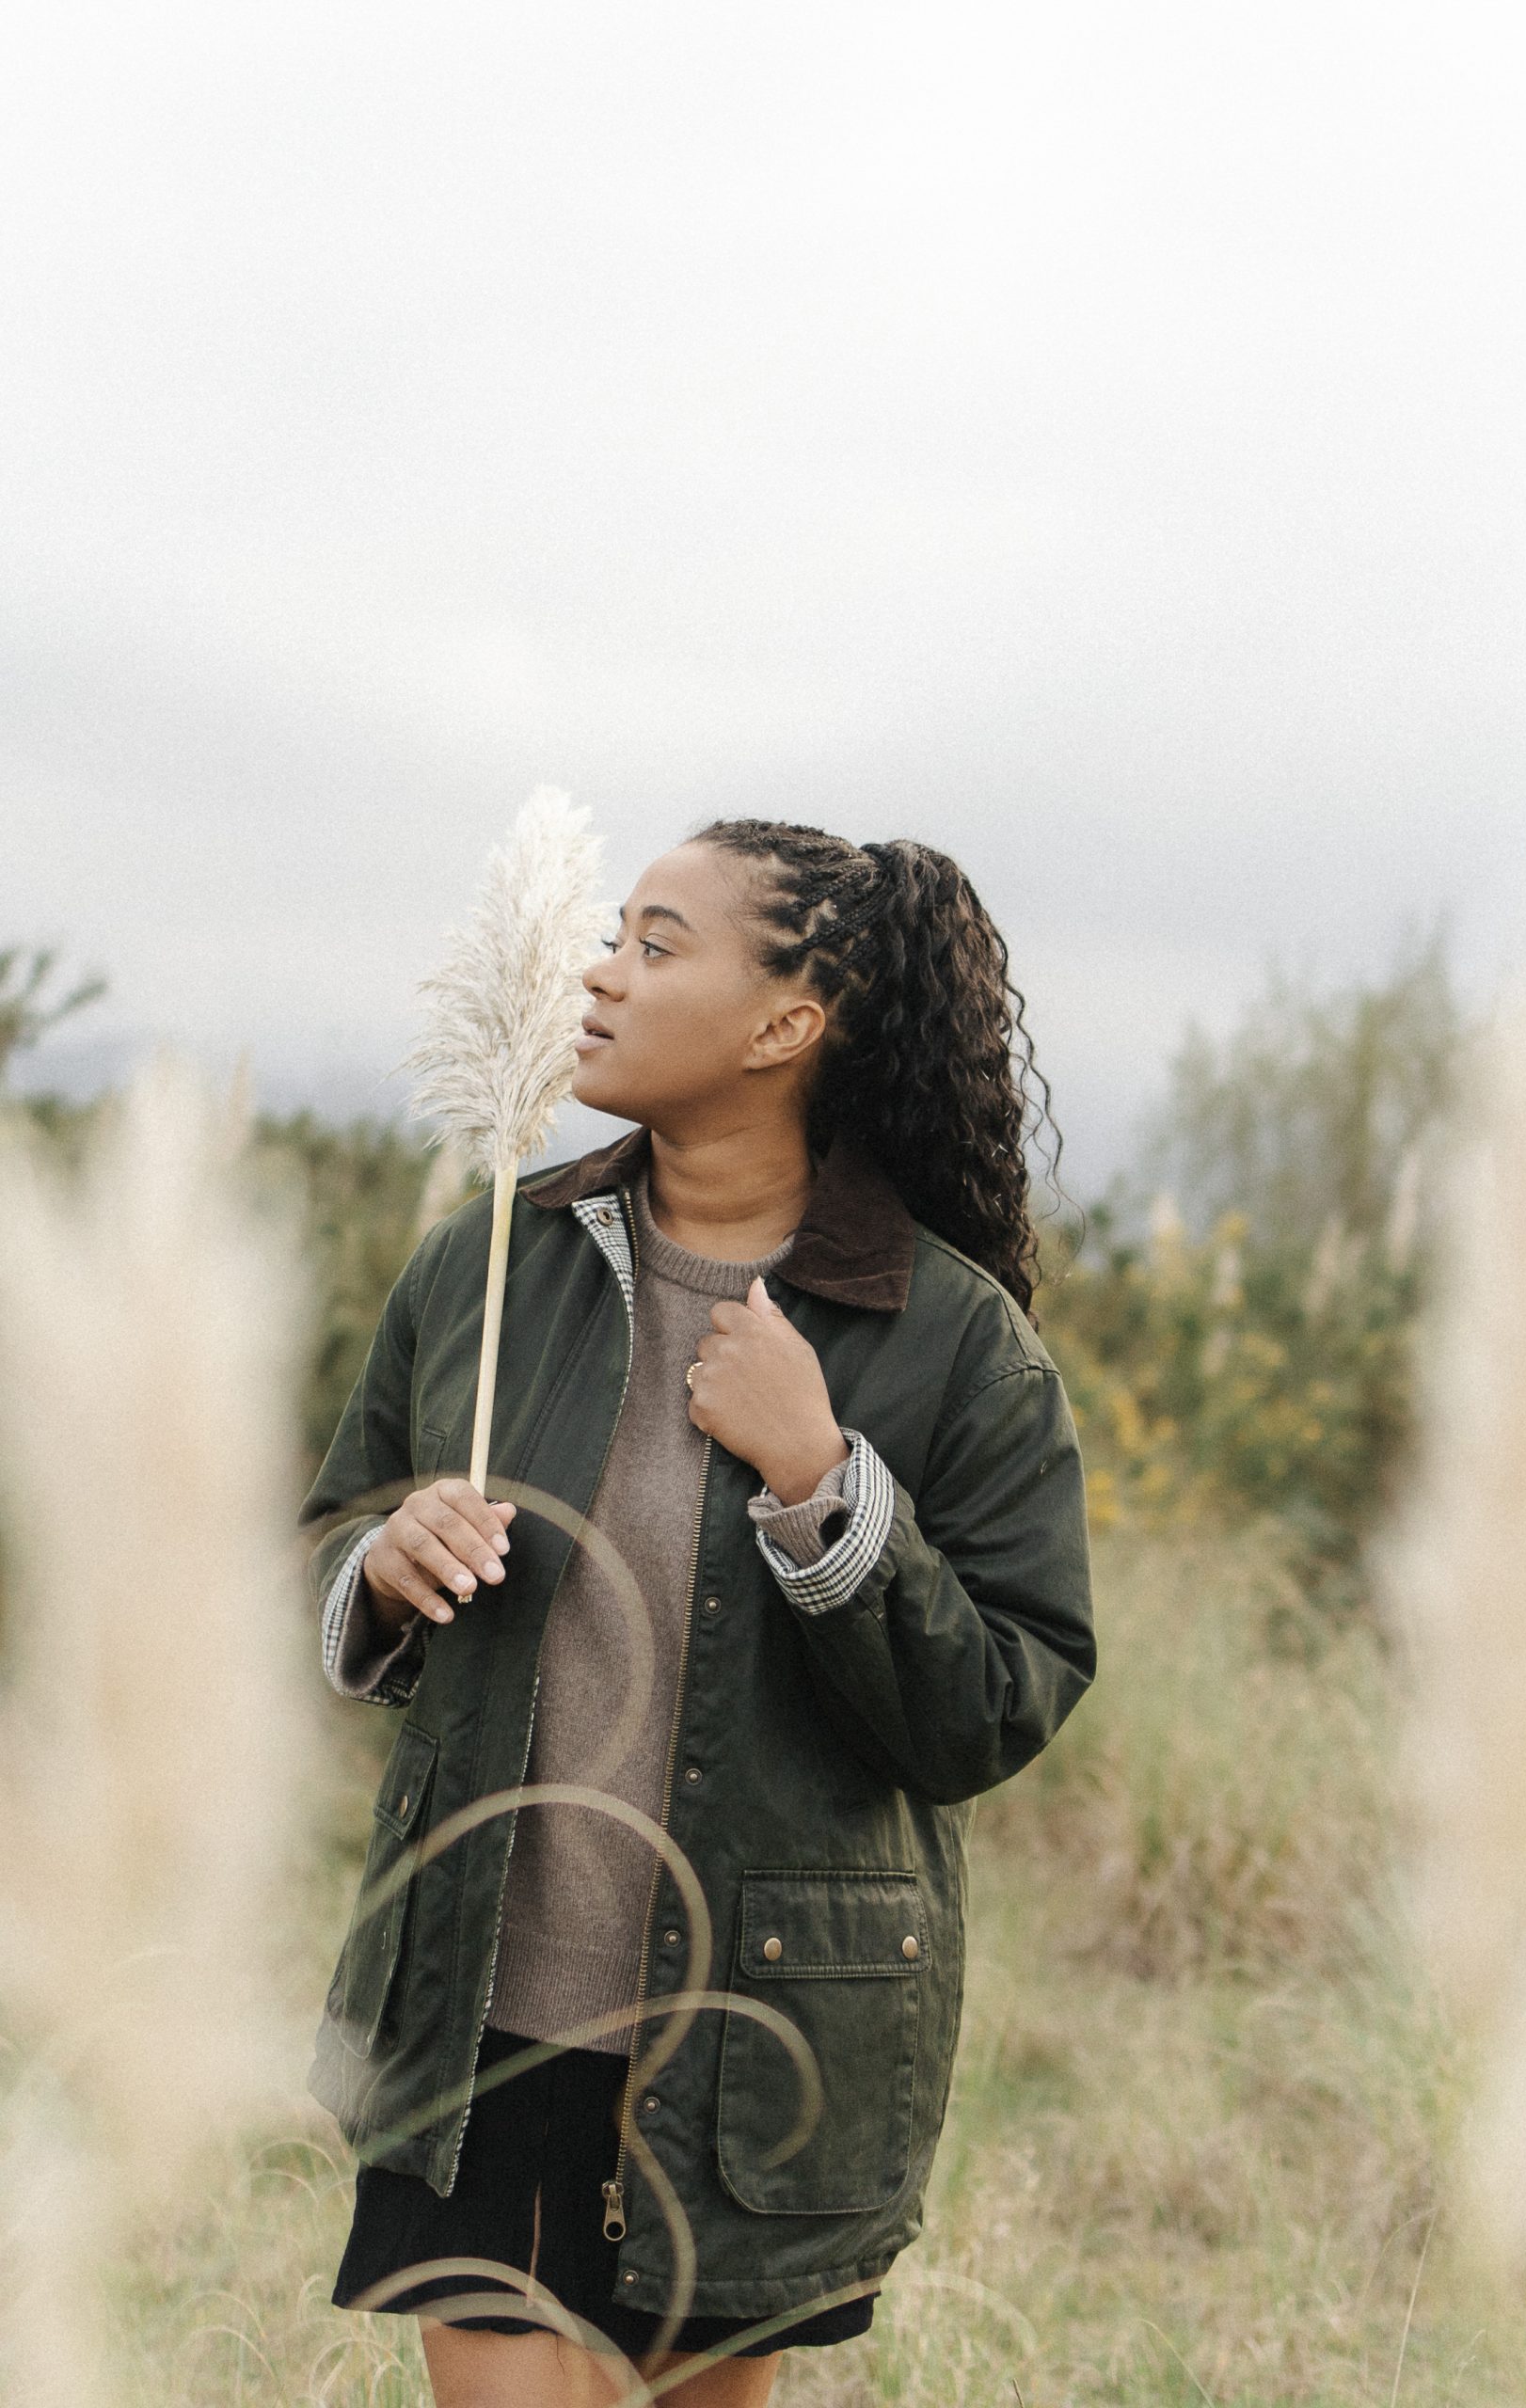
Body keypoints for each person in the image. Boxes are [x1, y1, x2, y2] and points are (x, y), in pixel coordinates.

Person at [298, 821, 1097, 2408]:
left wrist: (820, 1481)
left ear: (783, 1025)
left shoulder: (953, 1341)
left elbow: (1000, 1703)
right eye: (613, 935)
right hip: (485, 2021)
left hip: (759, 2045)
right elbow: (323, 1525)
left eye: (657, 945)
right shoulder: (486, 1259)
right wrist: (379, 1562)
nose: (601, 970)